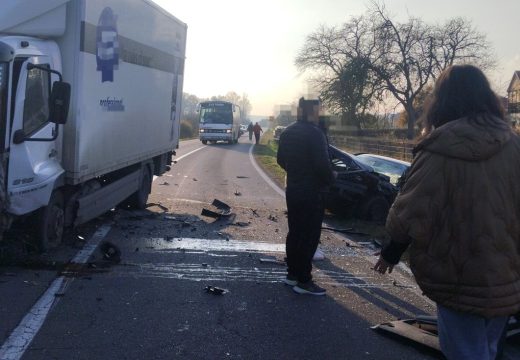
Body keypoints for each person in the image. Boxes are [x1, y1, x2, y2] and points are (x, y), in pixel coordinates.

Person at [373, 64, 520, 359]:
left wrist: (391, 252)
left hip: (457, 272)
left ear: (443, 100)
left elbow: (412, 212)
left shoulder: (440, 147)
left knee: (464, 351)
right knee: (489, 349)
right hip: (506, 274)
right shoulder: (513, 143)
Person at [277, 97, 336, 295]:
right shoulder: (315, 133)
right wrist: (331, 178)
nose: (321, 113)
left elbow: (280, 160)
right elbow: (323, 166)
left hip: (293, 190)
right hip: (312, 192)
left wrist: (296, 173)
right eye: (319, 110)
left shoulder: (288, 131)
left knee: (295, 233)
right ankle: (304, 280)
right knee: (309, 236)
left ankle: (292, 274)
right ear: (312, 112)